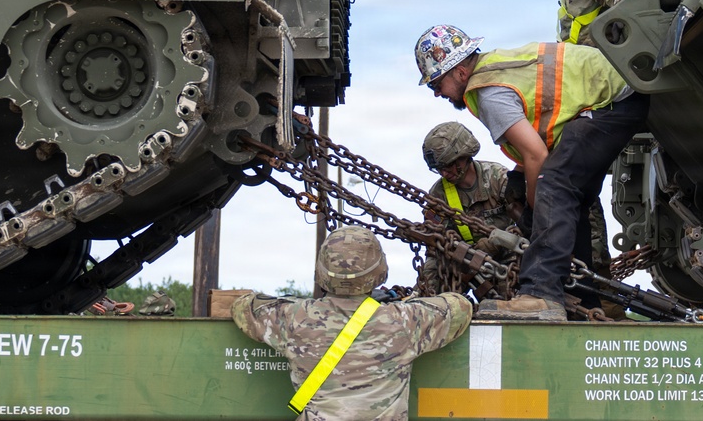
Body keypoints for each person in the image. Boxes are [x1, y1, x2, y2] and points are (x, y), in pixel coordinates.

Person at [414, 24, 648, 321]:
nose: (437, 94)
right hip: (621, 97)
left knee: (553, 185)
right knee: (569, 202)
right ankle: (585, 303)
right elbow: (539, 146)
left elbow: (536, 155)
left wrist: (537, 209)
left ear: (459, 71)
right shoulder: (495, 71)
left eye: (436, 84)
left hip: (615, 100)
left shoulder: (489, 93)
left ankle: (541, 295)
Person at [231, 226, 472, 421]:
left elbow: (243, 307)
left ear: (322, 272)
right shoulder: (404, 321)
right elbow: (460, 307)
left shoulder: (293, 318)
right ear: (380, 272)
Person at [521, 0, 637, 292]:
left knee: (559, 180)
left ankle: (560, 287)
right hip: (591, 84)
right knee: (577, 186)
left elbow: (626, 0)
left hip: (606, 85)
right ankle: (589, 285)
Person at [418, 121, 524, 298]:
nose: (444, 173)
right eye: (439, 169)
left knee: (516, 268)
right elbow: (434, 242)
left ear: (465, 155)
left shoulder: (497, 178)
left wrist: (495, 242)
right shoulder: (439, 194)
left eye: (448, 165)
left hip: (505, 254)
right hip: (464, 260)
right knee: (433, 268)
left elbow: (528, 222)